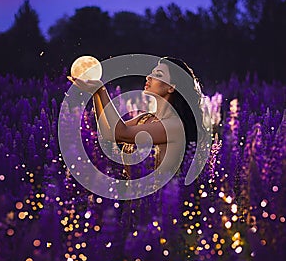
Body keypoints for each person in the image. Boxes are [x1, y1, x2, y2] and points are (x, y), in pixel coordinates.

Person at [67, 56, 205, 181]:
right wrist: (96, 94)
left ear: (171, 87)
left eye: (158, 74)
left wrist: (102, 91)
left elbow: (122, 132)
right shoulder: (146, 118)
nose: (149, 77)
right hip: (133, 202)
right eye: (151, 72)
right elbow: (109, 134)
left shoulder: (174, 125)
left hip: (158, 204)